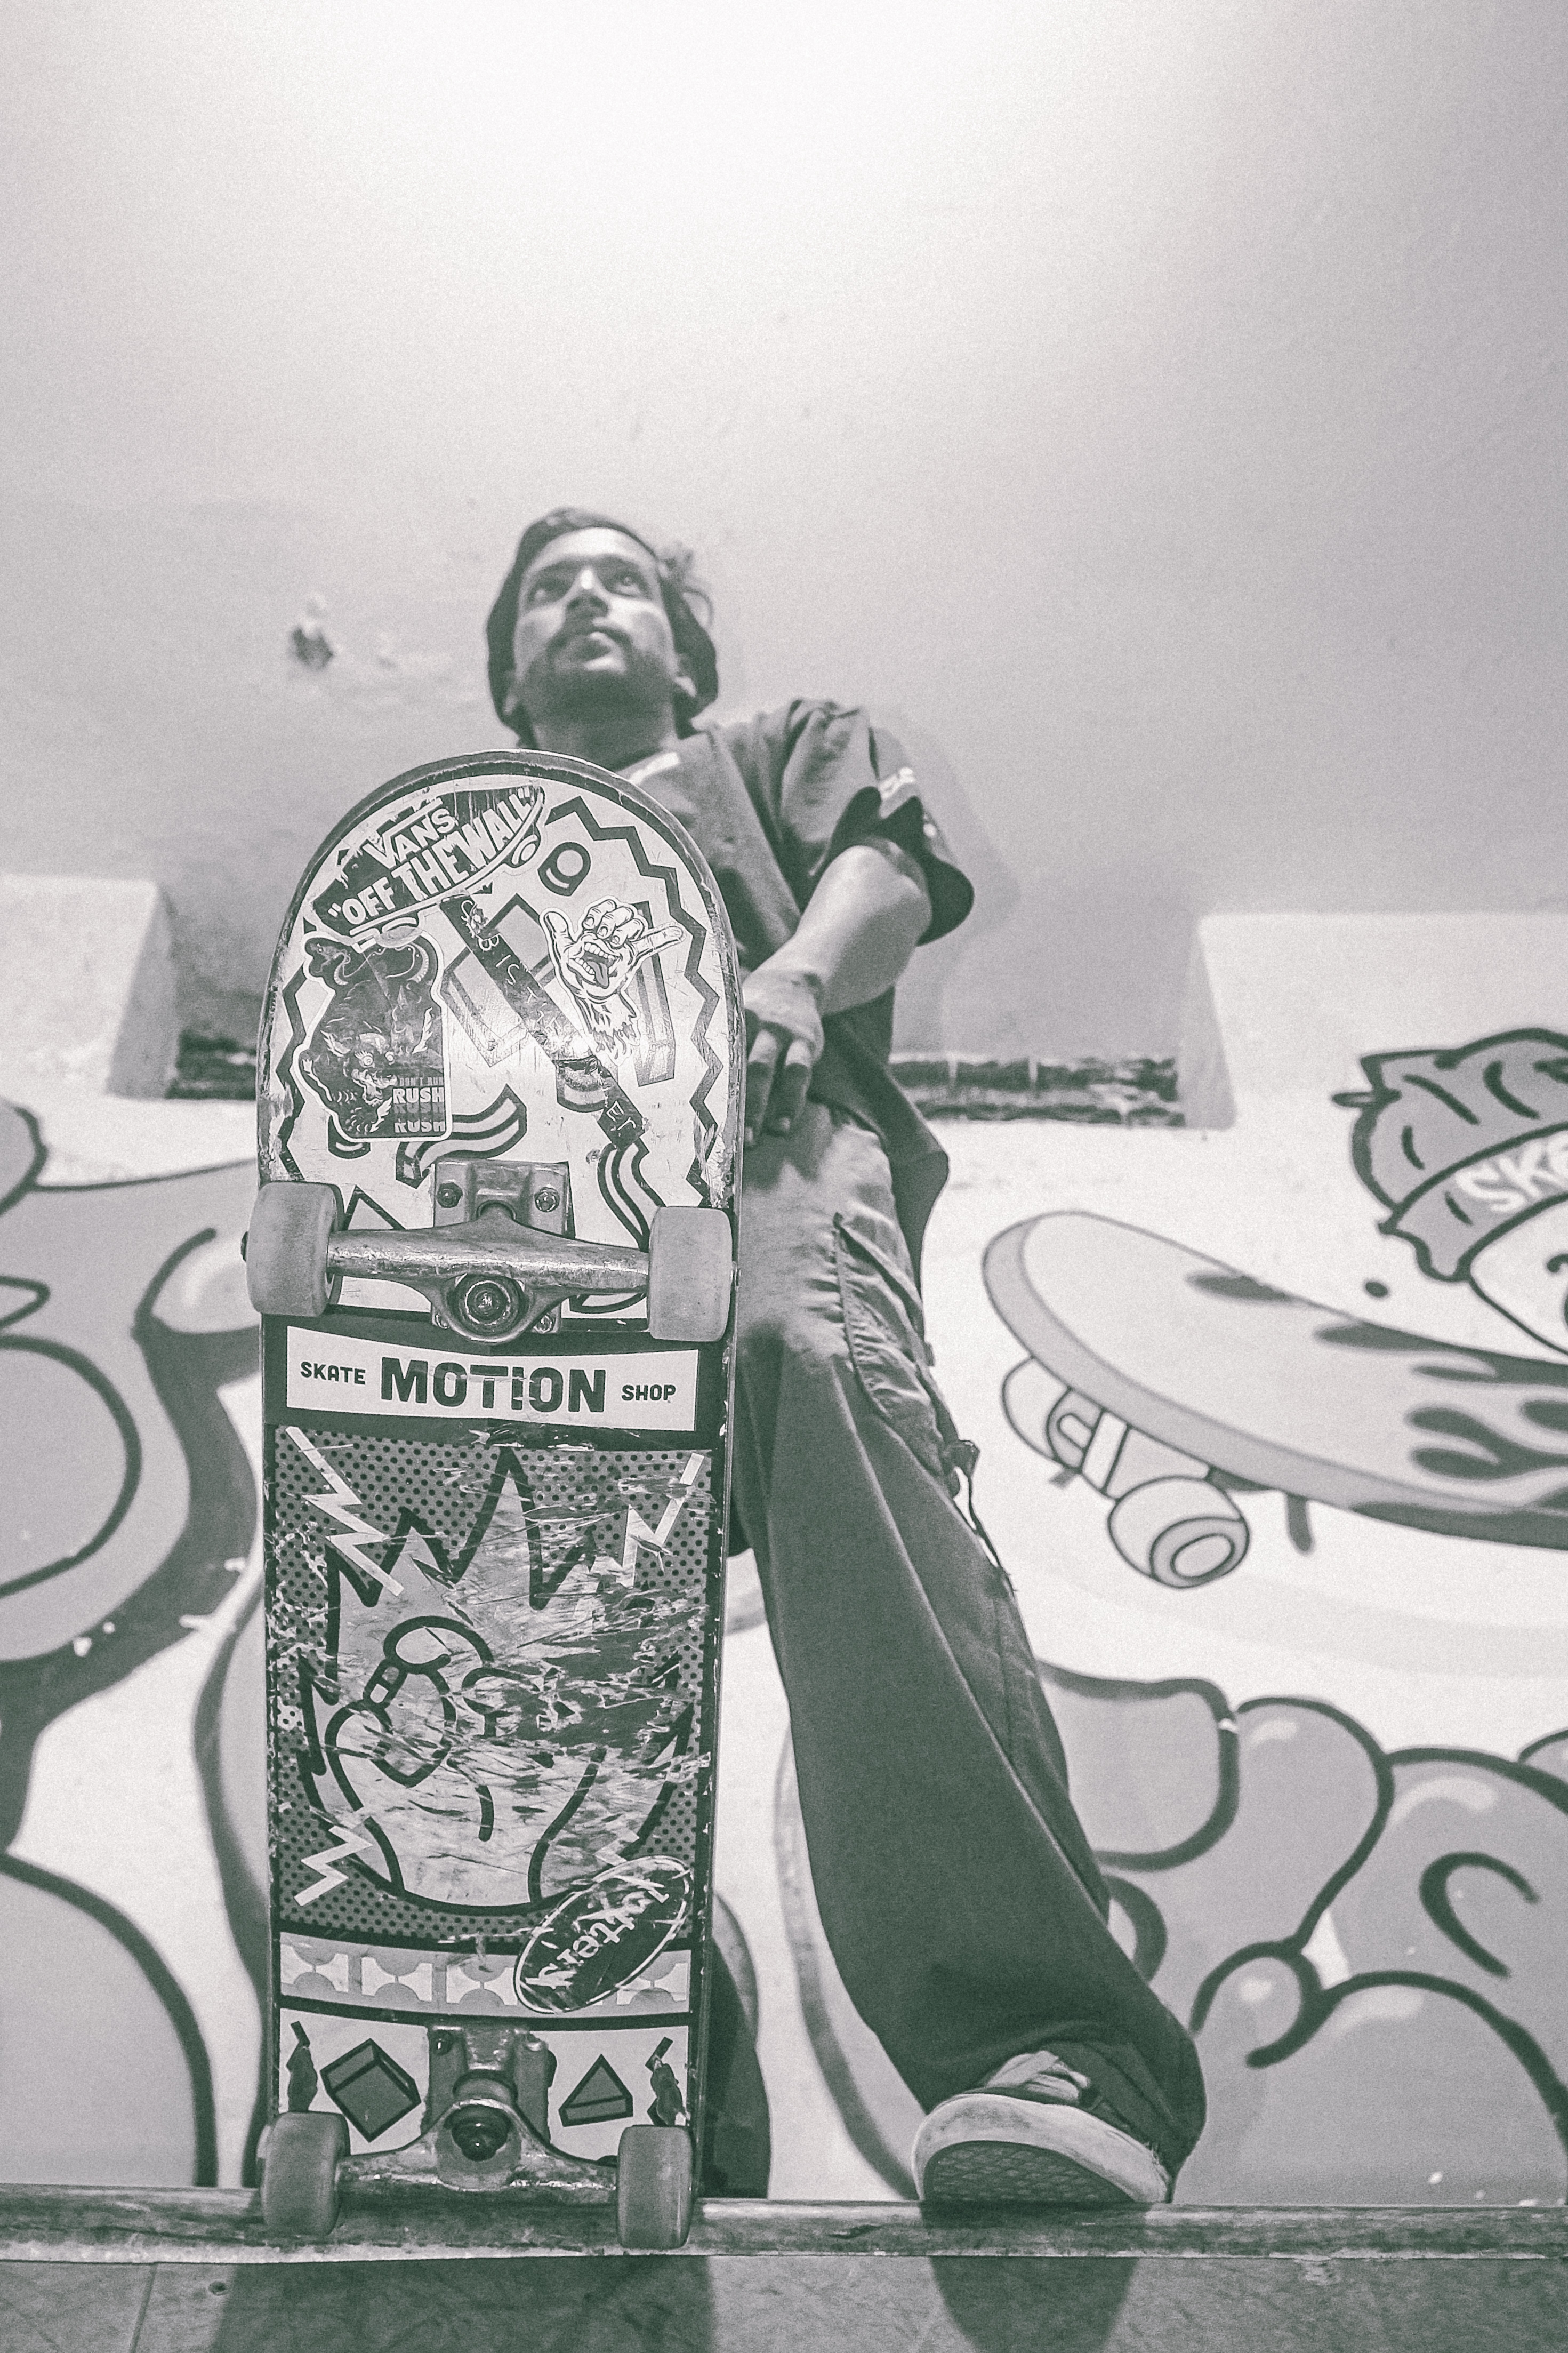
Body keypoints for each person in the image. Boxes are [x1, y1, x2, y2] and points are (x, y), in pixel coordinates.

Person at [484, 508, 1205, 2208]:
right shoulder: (471, 837)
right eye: (549, 591)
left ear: (685, 646)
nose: (589, 602)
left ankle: (1047, 2042)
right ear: (508, 668)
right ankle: (626, 2038)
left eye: (626, 584)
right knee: (500, 1608)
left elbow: (883, 875)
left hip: (765, 1141)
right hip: (523, 1234)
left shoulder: (773, 747)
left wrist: (793, 977)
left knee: (821, 1391)